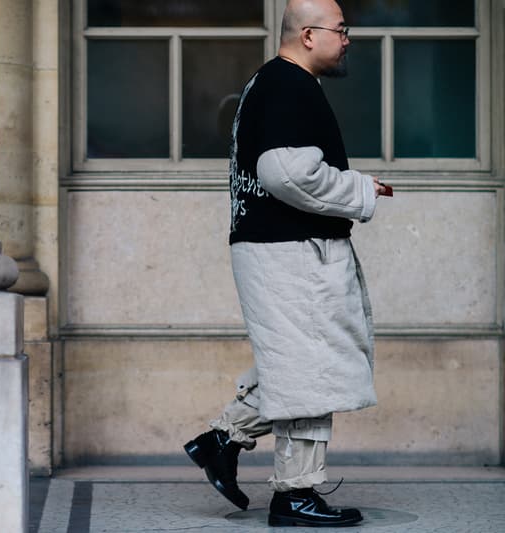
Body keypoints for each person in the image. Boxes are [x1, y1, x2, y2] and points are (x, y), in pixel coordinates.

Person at [184, 0, 390, 527]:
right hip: (291, 250)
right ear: (307, 34)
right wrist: (360, 190)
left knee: (298, 360)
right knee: (311, 368)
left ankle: (222, 439)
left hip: (274, 246)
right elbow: (286, 174)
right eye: (341, 30)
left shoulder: (270, 84)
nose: (347, 40)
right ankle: (295, 494)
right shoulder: (289, 86)